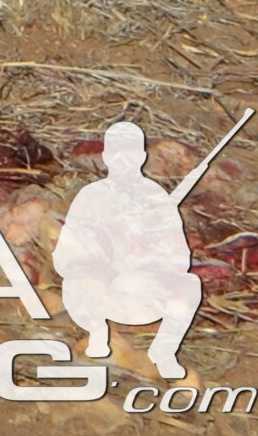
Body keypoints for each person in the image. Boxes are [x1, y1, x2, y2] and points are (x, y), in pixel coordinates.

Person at [53, 119, 208, 379]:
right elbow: (67, 252)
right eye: (117, 153)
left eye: (131, 152)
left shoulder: (155, 197)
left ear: (142, 156)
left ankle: (164, 352)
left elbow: (178, 256)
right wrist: (104, 258)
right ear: (107, 156)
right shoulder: (91, 195)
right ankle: (98, 337)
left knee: (190, 284)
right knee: (84, 283)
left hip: (139, 283)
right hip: (99, 283)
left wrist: (148, 253)